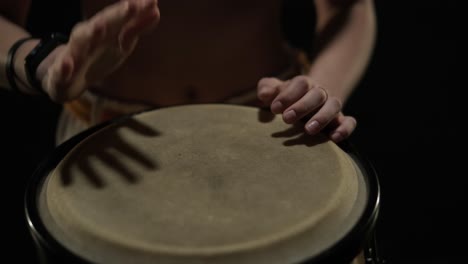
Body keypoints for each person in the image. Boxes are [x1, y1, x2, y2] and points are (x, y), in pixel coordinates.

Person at [0, 0, 376, 145]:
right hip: (105, 138)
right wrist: (45, 62)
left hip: (275, 127)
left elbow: (348, 7)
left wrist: (317, 92)